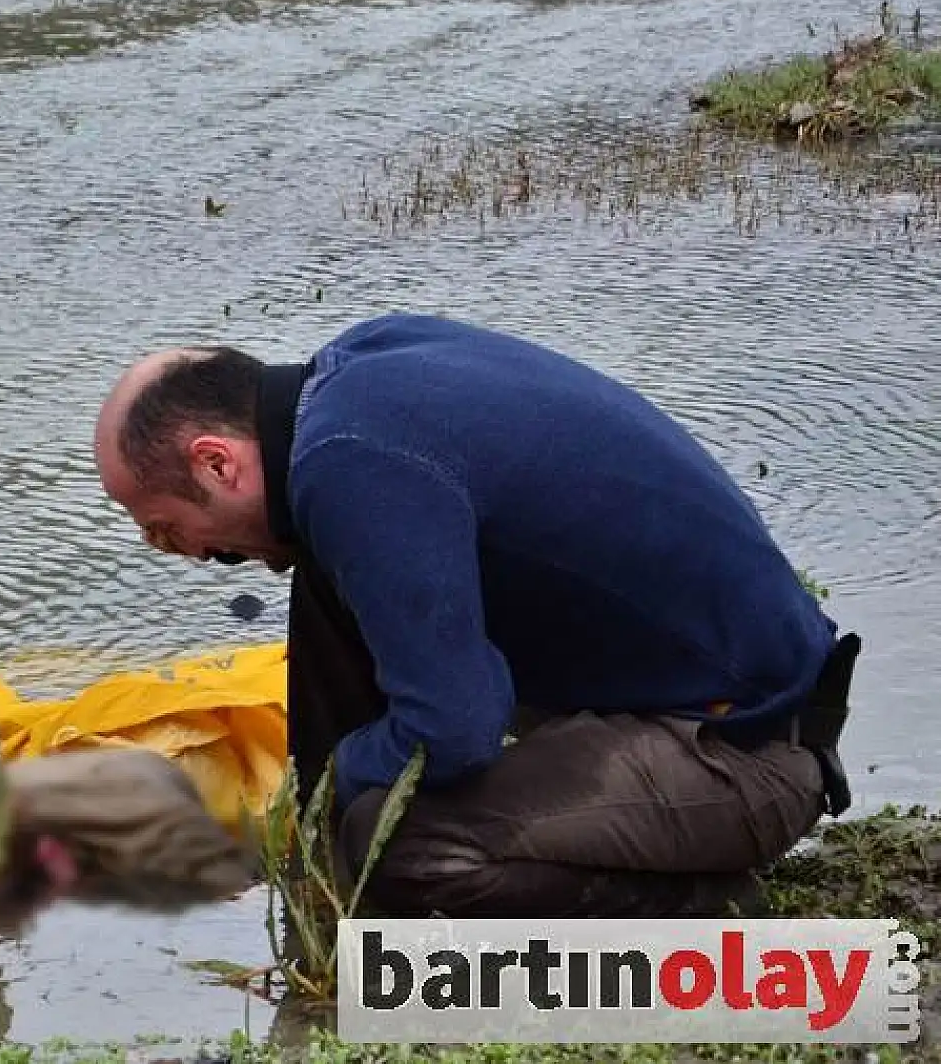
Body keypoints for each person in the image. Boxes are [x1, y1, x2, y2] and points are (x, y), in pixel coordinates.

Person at [91, 312, 860, 917]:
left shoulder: (350, 465)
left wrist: (351, 777)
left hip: (748, 753)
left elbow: (452, 731)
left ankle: (701, 905)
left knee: (399, 848)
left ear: (216, 462)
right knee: (326, 579)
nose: (185, 553)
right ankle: (326, 848)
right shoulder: (362, 370)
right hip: (708, 692)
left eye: (164, 530)